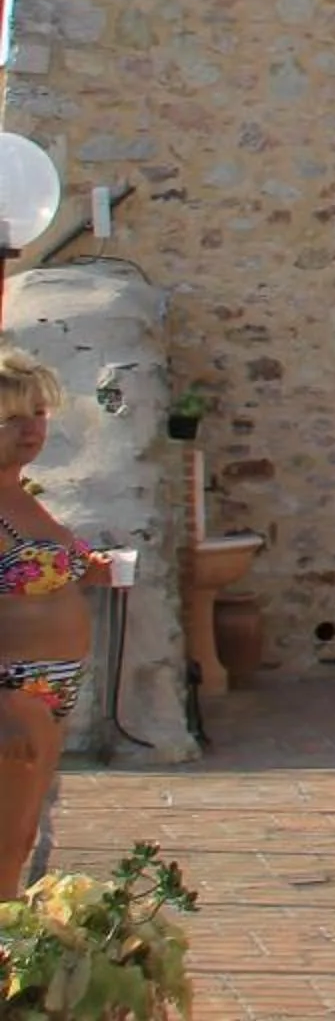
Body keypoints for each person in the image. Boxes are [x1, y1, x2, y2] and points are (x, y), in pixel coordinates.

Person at [0, 349, 107, 892]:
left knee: (20, 838)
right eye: (11, 418)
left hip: (53, 683)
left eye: (38, 414)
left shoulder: (20, 494)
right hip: (14, 688)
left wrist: (86, 570)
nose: (30, 430)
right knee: (3, 841)